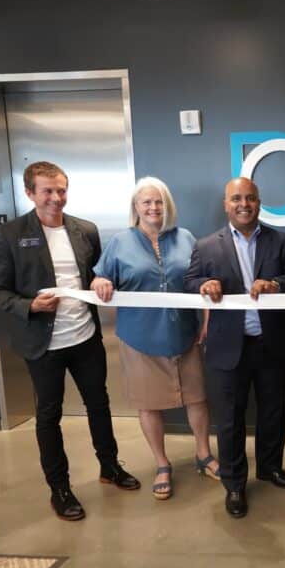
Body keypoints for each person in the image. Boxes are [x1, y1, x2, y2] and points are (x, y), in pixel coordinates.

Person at [0, 161, 140, 522]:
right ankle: (60, 488)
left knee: (99, 404)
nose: (56, 198)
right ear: (30, 193)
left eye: (61, 190)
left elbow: (97, 276)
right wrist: (29, 305)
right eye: (47, 191)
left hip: (85, 337)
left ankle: (109, 466)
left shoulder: (85, 229)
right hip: (42, 343)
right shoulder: (10, 234)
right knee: (49, 415)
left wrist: (103, 283)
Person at [183, 177, 285, 519]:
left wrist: (276, 284)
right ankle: (234, 484)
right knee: (230, 420)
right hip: (227, 348)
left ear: (259, 202)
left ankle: (270, 468)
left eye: (250, 198)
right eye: (236, 198)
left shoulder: (282, 241)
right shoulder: (207, 246)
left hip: (272, 344)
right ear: (226, 204)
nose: (244, 204)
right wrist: (203, 284)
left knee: (272, 412)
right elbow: (189, 281)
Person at [90, 176, 215, 501]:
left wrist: (206, 321)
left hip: (184, 334)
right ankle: (162, 463)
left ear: (167, 205)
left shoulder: (186, 237)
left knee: (198, 397)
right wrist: (100, 283)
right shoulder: (120, 242)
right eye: (146, 202)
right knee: (148, 404)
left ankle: (204, 454)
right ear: (136, 207)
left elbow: (202, 280)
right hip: (140, 337)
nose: (153, 207)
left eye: (159, 201)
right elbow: (100, 278)